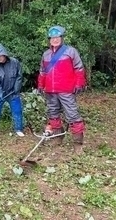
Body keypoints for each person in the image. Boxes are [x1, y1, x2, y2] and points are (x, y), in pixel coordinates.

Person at [38, 25, 86, 154]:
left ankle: (78, 144)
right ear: (49, 39)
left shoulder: (71, 51)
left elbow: (79, 68)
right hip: (50, 90)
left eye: (57, 37)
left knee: (72, 115)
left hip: (66, 89)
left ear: (62, 38)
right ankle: (57, 137)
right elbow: (42, 72)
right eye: (52, 38)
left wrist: (79, 83)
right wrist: (40, 85)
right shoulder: (46, 54)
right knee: (53, 114)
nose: (55, 40)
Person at [0, 44, 25, 137]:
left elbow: (19, 76)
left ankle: (18, 129)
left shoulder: (15, 62)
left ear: (5, 55)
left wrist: (16, 87)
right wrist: (0, 94)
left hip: (13, 92)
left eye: (1, 56)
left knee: (17, 110)